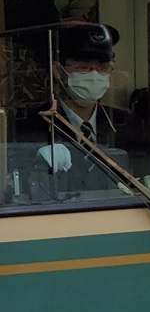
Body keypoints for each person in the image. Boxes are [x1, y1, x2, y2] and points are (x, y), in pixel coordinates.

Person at [17, 22, 127, 203]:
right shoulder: (29, 125)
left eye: (102, 68)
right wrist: (35, 160)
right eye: (82, 67)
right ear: (57, 70)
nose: (94, 75)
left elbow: (147, 181)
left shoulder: (124, 122)